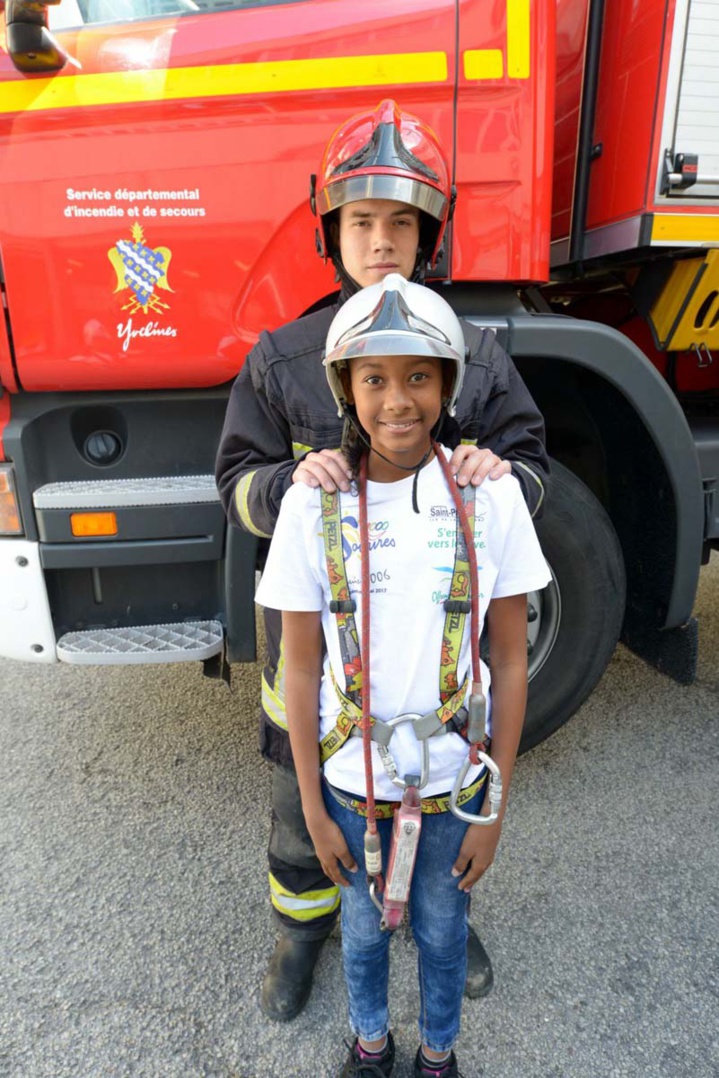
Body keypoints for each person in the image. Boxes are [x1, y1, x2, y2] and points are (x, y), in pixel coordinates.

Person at [215, 98, 549, 1022]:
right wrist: (293, 489)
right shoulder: (281, 356)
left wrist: (497, 473)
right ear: (331, 230)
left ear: (429, 236)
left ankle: (444, 911)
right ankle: (303, 927)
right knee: (304, 801)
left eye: (401, 223)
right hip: (317, 653)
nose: (381, 242)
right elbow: (236, 480)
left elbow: (532, 467)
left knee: (441, 798)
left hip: (433, 653)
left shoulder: (471, 354)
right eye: (361, 221)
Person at [254, 274, 551, 1077]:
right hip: (350, 788)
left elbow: (511, 660)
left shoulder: (489, 499)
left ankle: (437, 1054)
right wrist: (313, 807)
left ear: (449, 384)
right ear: (345, 389)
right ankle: (371, 1044)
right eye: (374, 378)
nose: (397, 400)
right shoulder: (310, 507)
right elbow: (301, 667)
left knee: (443, 930)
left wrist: (494, 808)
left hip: (455, 784)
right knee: (360, 934)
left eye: (418, 375)